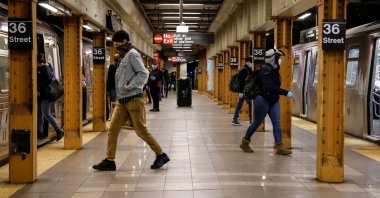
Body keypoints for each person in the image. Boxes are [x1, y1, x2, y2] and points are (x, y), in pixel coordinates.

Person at [93, 30, 169, 171]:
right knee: (113, 129)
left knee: (141, 131)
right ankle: (110, 160)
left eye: (117, 43)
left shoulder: (132, 54)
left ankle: (161, 154)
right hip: (122, 101)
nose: (115, 46)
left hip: (134, 99)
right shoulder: (122, 57)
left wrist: (130, 86)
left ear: (124, 41)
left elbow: (143, 73)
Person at [240, 49, 294, 155]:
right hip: (262, 99)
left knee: (276, 123)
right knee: (257, 122)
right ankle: (245, 142)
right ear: (274, 58)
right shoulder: (266, 69)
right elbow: (269, 87)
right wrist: (286, 92)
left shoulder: (274, 69)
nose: (280, 61)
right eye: (279, 58)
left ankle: (279, 146)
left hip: (273, 100)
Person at [36, 53, 64, 141]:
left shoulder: (45, 69)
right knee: (39, 114)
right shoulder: (39, 69)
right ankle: (39, 133)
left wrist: (39, 89)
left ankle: (59, 130)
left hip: (46, 95)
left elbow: (48, 80)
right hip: (40, 95)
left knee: (45, 113)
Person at [232, 57, 253, 126]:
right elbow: (241, 82)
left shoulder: (247, 69)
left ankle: (235, 119)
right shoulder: (244, 70)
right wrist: (240, 92)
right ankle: (251, 120)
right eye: (251, 62)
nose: (252, 64)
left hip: (245, 90)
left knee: (240, 104)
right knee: (251, 104)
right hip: (244, 91)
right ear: (247, 62)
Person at [106, 54, 120, 120]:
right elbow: (109, 78)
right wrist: (108, 88)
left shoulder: (115, 66)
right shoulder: (113, 66)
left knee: (114, 102)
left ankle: (114, 116)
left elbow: (109, 78)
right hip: (114, 87)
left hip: (115, 87)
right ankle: (113, 116)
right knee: (113, 102)